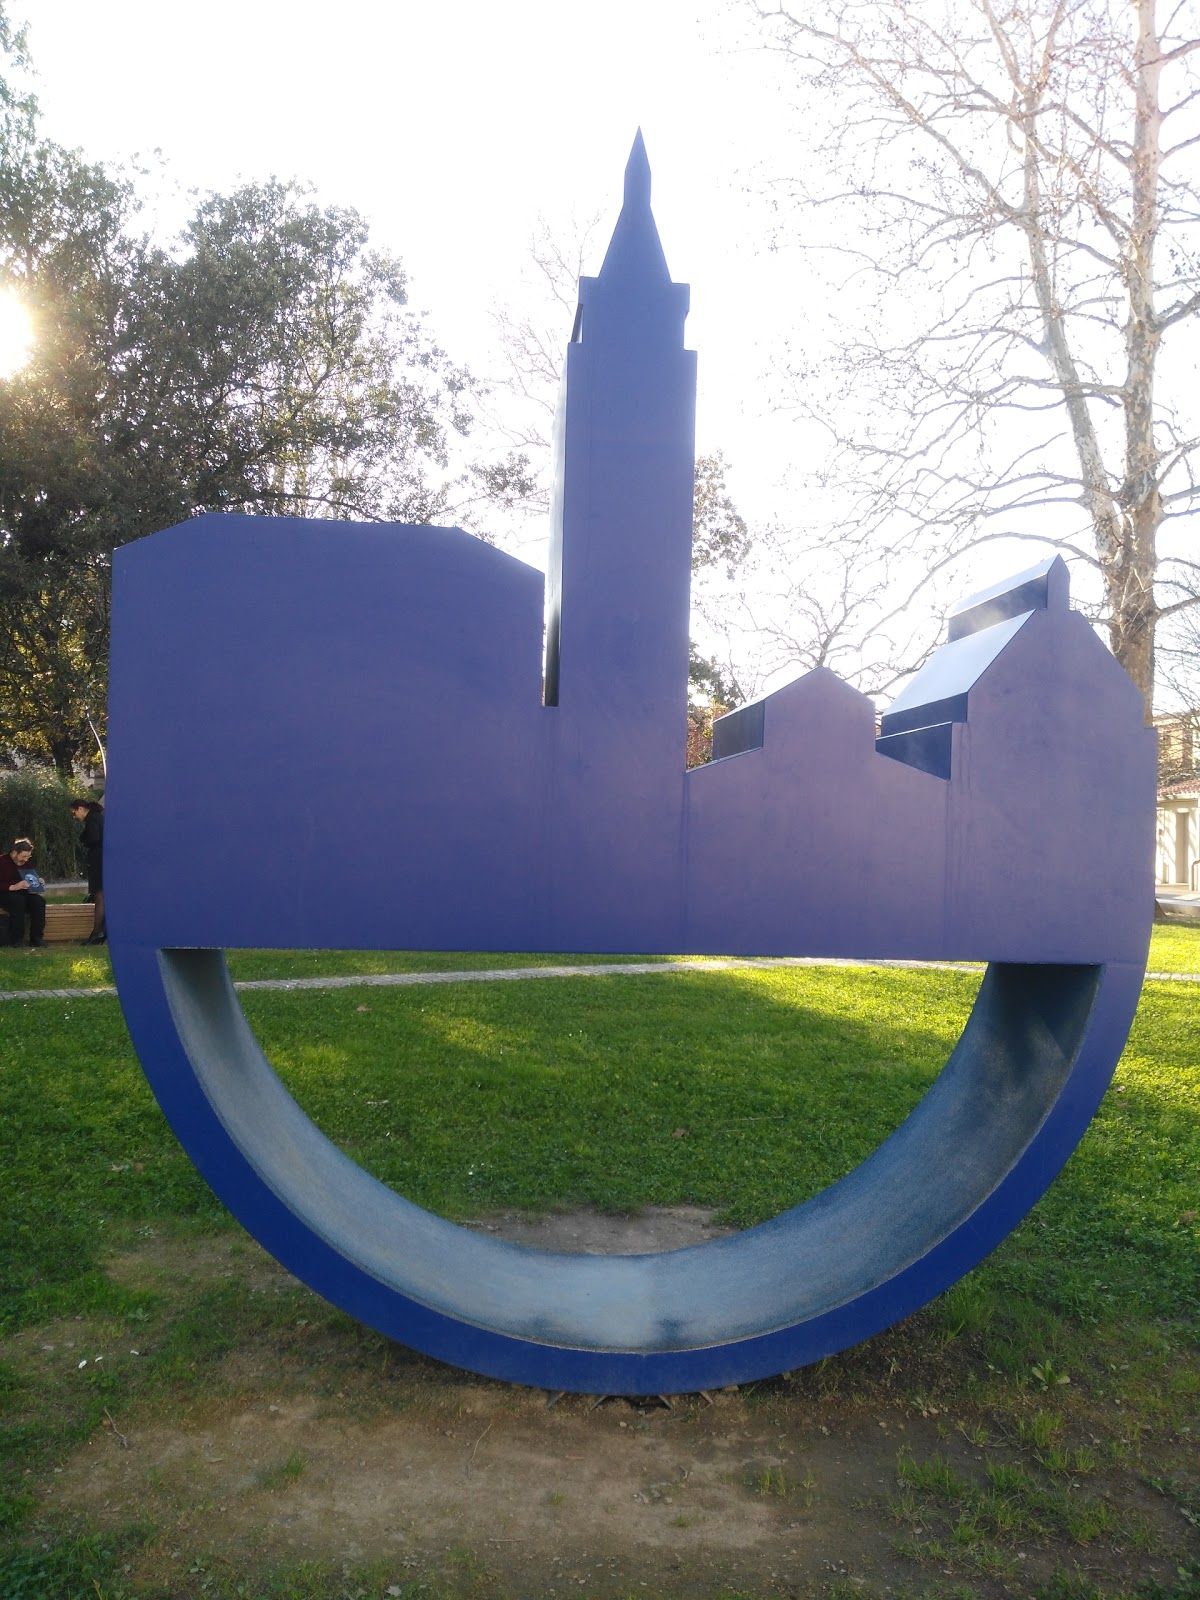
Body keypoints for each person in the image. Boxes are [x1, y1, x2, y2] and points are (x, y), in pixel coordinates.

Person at [69, 798, 105, 944]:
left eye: (74, 813)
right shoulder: (99, 817)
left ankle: (97, 932)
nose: (74, 817)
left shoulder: (92, 819)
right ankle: (99, 932)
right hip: (102, 858)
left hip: (97, 860)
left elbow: (93, 838)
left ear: (81, 809)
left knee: (99, 895)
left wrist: (83, 839)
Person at [0, 837, 47, 947]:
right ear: (15, 852)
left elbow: (29, 879)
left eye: (28, 856)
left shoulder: (26, 863)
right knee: (18, 901)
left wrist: (38, 882)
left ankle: (36, 938)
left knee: (39, 901)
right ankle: (17, 939)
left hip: (23, 893)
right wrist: (13, 886)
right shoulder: (2, 861)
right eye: (24, 856)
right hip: (5, 893)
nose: (26, 859)